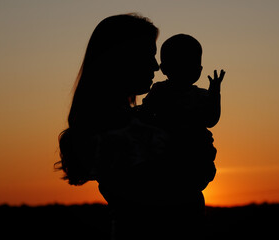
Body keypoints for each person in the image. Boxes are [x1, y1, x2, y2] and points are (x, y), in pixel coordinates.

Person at [55, 14, 215, 240]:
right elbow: (177, 187)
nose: (156, 66)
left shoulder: (130, 120)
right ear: (123, 59)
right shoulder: (116, 127)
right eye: (149, 55)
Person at [142, 34, 225, 188]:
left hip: (196, 153)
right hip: (166, 154)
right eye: (181, 63)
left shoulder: (201, 95)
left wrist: (215, 94)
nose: (190, 69)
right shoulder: (160, 91)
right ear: (165, 68)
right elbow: (145, 113)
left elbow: (211, 119)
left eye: (194, 64)